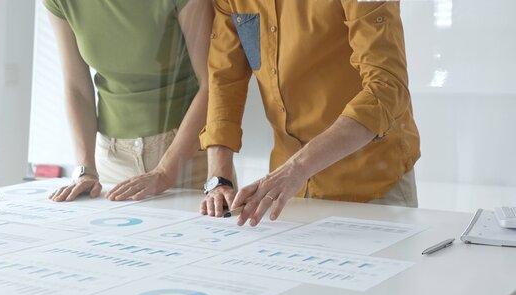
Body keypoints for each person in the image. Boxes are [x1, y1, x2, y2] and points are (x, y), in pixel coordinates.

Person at [200, 0, 421, 226]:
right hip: (287, 192)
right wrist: (219, 179)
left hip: (371, 185)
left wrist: (298, 167)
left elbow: (386, 89)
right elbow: (224, 82)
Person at [46, 0, 213, 203]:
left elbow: (213, 85)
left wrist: (165, 172)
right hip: (111, 158)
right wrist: (85, 169)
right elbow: (77, 89)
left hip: (187, 156)